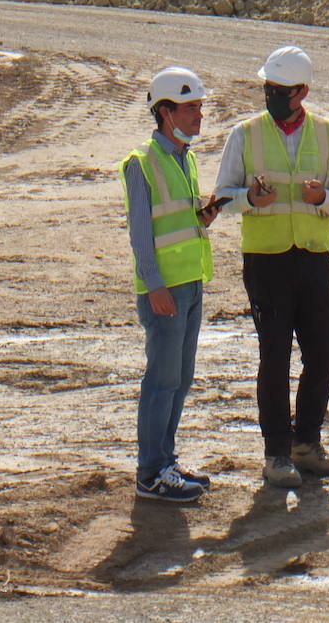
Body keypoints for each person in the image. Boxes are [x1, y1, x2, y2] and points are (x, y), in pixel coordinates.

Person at [213, 46, 329, 487]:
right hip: (266, 262)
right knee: (274, 357)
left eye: (280, 90)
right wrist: (249, 201)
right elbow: (221, 194)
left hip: (313, 259)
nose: (271, 95)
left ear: (302, 92)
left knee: (323, 351)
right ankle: (276, 454)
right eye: (268, 88)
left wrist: (323, 200)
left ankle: (306, 444)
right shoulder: (245, 134)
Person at [119, 66, 226, 502]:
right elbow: (141, 233)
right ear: (165, 112)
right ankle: (151, 473)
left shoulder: (187, 157)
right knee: (161, 381)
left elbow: (176, 221)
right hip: (165, 289)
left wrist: (203, 216)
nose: (199, 115)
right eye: (191, 107)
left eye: (200, 106)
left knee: (180, 379)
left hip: (192, 283)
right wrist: (154, 284)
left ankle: (166, 460)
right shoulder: (141, 163)